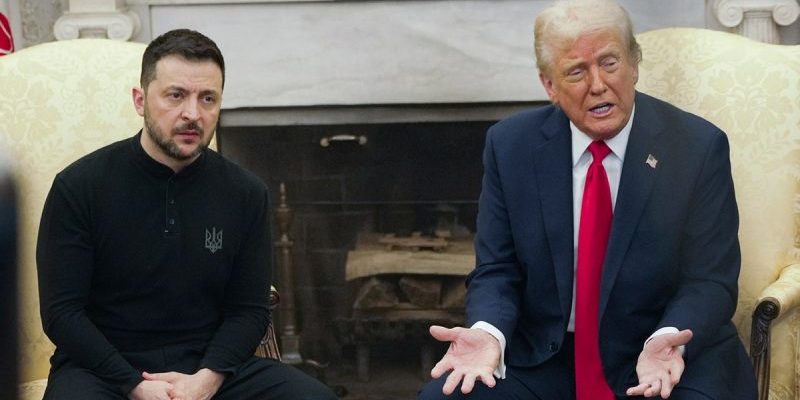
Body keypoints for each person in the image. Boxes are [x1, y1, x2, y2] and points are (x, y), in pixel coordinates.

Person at [418, 1, 757, 399]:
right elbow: (497, 269)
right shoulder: (510, 146)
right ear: (549, 85)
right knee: (445, 396)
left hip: (661, 350)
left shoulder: (697, 147)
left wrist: (669, 337)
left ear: (634, 64)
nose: (598, 85)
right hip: (549, 354)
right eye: (576, 72)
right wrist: (488, 332)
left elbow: (710, 279)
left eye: (610, 63)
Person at [36, 29, 337, 400]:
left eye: (207, 98)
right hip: (102, 370)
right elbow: (62, 313)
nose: (193, 114)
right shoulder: (78, 186)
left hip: (211, 366)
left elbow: (248, 310)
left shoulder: (246, 193)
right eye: (176, 95)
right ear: (140, 100)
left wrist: (206, 380)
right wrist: (134, 385)